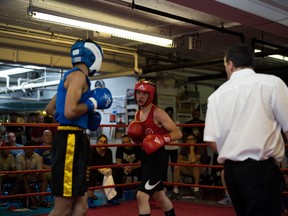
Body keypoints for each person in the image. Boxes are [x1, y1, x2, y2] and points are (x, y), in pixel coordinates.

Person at [204, 43, 288, 216]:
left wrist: (235, 150)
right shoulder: (272, 84)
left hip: (232, 173)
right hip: (260, 169)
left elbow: (210, 140)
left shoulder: (216, 96)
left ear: (231, 64)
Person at [45, 39, 112, 216]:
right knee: (62, 209)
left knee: (81, 207)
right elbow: (70, 111)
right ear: (94, 56)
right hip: (70, 141)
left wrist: (86, 113)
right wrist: (92, 103)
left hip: (76, 139)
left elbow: (51, 109)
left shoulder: (72, 76)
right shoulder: (78, 77)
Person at [127, 79, 182, 216]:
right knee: (159, 196)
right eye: (138, 93)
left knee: (142, 196)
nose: (140, 96)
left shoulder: (158, 113)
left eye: (144, 94)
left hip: (158, 159)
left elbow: (178, 133)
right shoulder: (137, 114)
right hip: (145, 158)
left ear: (150, 95)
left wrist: (161, 139)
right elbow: (140, 141)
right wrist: (135, 138)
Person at [88, 134, 122, 208]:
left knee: (115, 174)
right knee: (92, 175)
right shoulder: (92, 150)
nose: (103, 143)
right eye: (101, 141)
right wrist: (100, 170)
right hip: (95, 171)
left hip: (105, 171)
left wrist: (107, 170)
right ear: (97, 142)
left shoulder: (108, 151)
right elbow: (90, 165)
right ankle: (89, 198)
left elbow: (109, 164)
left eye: (105, 142)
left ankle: (111, 197)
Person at [15, 141, 50, 209]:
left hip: (34, 175)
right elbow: (20, 172)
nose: (30, 151)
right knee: (24, 178)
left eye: (32, 149)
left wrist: (35, 174)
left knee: (44, 176)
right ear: (24, 149)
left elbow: (39, 170)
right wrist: (29, 174)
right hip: (23, 176)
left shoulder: (37, 156)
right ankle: (33, 201)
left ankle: (41, 199)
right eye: (28, 149)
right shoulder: (18, 157)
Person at [170, 133, 201, 201]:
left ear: (195, 140)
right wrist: (189, 163)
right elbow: (178, 160)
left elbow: (194, 160)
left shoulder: (200, 146)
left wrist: (191, 148)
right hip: (188, 168)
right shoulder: (184, 147)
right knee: (176, 166)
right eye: (188, 140)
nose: (190, 141)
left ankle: (196, 189)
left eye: (192, 139)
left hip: (200, 170)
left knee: (196, 164)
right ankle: (175, 190)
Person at [164, 107, 179, 189]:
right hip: (165, 147)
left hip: (174, 147)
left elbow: (176, 135)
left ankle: (175, 186)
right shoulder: (163, 123)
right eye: (167, 114)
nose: (169, 115)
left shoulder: (177, 122)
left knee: (175, 167)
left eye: (170, 114)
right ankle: (165, 186)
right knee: (164, 167)